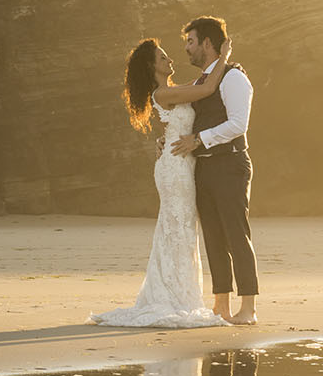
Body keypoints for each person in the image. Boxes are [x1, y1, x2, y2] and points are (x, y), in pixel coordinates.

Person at [89, 38, 233, 328]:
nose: (169, 59)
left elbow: (197, 91)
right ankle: (175, 297)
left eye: (167, 55)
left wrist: (163, 139)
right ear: (151, 66)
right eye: (162, 57)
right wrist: (225, 58)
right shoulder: (163, 93)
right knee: (177, 227)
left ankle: (178, 293)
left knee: (179, 228)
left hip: (179, 161)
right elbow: (206, 88)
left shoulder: (174, 90)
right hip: (174, 167)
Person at [169, 16, 258, 325]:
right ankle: (221, 305)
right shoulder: (202, 83)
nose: (187, 49)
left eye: (190, 42)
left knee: (236, 234)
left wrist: (199, 140)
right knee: (213, 237)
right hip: (203, 167)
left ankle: (248, 308)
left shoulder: (233, 77)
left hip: (230, 163)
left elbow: (238, 125)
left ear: (207, 44)